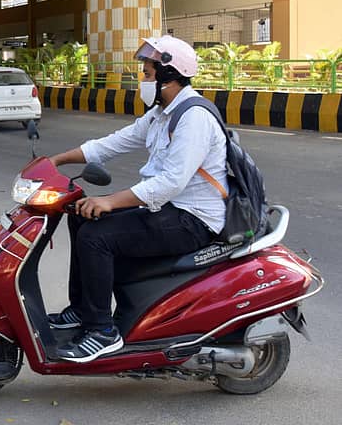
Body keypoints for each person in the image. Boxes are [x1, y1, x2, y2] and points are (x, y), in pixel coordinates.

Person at [46, 35, 226, 363]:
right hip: (170, 209)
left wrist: (111, 201)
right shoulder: (163, 113)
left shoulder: (193, 117)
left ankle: (102, 331)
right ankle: (83, 310)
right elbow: (115, 142)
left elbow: (172, 181)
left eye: (147, 73)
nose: (143, 80)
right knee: (81, 213)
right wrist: (56, 160)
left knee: (95, 237)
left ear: (169, 76)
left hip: (193, 220)